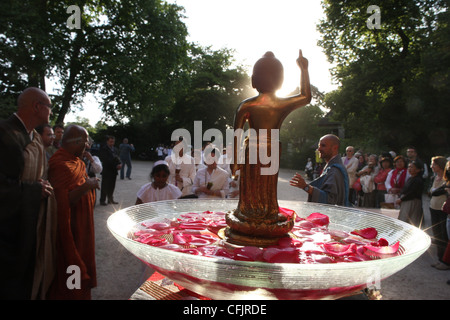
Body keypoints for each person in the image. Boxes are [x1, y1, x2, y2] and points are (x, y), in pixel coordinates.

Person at [227, 50, 311, 244]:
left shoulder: (247, 105)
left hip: (257, 149)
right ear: (281, 82)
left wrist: (235, 162)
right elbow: (306, 97)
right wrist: (303, 69)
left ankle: (256, 214)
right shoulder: (272, 105)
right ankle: (261, 214)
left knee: (261, 189)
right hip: (268, 149)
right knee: (260, 189)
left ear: (252, 81)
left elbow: (236, 137)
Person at [0, 87, 56, 300]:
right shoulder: (5, 133)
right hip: (6, 231)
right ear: (37, 107)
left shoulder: (32, 137)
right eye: (49, 107)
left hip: (25, 222)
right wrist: (34, 190)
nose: (50, 112)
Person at [47, 125, 99, 299]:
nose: (87, 147)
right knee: (72, 264)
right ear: (75, 142)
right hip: (71, 229)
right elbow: (62, 203)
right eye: (85, 143)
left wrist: (88, 184)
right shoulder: (60, 164)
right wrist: (87, 186)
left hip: (83, 227)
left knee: (83, 260)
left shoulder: (77, 162)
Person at [290, 134, 349, 206]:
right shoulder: (331, 167)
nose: (319, 149)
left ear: (335, 148)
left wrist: (306, 187)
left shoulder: (335, 171)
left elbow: (330, 201)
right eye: (319, 146)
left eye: (323, 146)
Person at [428, 156, 449, 269]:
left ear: (440, 165)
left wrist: (434, 191)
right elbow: (431, 192)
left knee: (443, 235)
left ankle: (445, 261)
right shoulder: (434, 178)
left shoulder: (446, 179)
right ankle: (440, 258)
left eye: (434, 164)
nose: (432, 166)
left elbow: (435, 192)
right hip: (433, 207)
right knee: (437, 235)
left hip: (442, 210)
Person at [395, 160, 424, 227]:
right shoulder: (411, 178)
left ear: (418, 169)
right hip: (406, 201)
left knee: (409, 221)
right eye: (409, 167)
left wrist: (401, 199)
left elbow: (412, 193)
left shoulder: (418, 180)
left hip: (412, 201)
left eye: (412, 167)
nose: (410, 169)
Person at [98, 135, 122, 205]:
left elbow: (118, 158)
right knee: (105, 185)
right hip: (107, 170)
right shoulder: (103, 149)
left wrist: (120, 164)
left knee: (112, 185)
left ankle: (110, 199)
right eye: (111, 141)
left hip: (114, 171)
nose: (112, 143)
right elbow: (106, 160)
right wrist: (115, 165)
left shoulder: (115, 149)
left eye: (113, 142)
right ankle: (102, 200)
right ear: (107, 141)